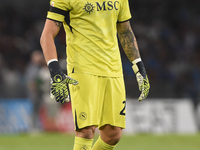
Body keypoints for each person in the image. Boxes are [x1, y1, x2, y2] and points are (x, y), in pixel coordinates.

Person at [40, 0, 150, 149]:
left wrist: (139, 65)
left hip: (113, 69)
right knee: (86, 131)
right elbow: (47, 34)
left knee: (113, 134)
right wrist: (55, 71)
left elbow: (125, 30)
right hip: (83, 68)